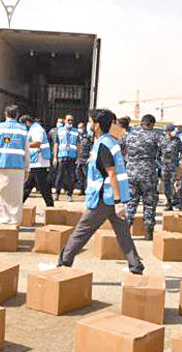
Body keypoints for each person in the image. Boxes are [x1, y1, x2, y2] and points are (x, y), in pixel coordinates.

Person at [58, 109, 144, 274]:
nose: (89, 124)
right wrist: (119, 202)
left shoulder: (103, 145)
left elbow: (112, 173)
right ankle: (135, 265)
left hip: (104, 198)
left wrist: (117, 202)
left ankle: (63, 263)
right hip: (113, 197)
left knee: (82, 231)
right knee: (123, 233)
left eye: (91, 121)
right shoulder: (111, 142)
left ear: (97, 125)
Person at [122, 114, 162, 241]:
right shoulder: (155, 136)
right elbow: (167, 151)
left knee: (130, 202)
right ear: (151, 124)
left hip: (131, 173)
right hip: (148, 174)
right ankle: (148, 232)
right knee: (149, 203)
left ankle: (125, 232)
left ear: (141, 123)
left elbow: (119, 149)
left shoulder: (128, 135)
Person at [0, 105, 30, 224]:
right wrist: (27, 168)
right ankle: (14, 221)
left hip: (1, 166)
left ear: (5, 114)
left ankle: (0, 220)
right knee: (15, 197)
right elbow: (27, 151)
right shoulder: (23, 129)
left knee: (0, 195)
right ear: (17, 115)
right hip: (17, 168)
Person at [22, 115, 54, 207]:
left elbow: (37, 143)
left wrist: (23, 145)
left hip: (39, 162)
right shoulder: (32, 129)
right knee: (28, 185)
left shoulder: (37, 129)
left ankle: (50, 206)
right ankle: (18, 203)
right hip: (35, 161)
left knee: (43, 186)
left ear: (27, 122)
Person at [54, 113, 80, 201]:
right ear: (65, 120)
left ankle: (69, 194)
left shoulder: (76, 132)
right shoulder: (59, 131)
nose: (70, 121)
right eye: (68, 120)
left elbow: (78, 145)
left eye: (71, 120)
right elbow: (56, 144)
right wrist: (55, 157)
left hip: (72, 157)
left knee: (71, 177)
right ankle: (57, 194)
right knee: (59, 176)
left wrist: (78, 157)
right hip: (62, 156)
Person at [160, 124, 182, 210]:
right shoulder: (162, 140)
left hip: (174, 167)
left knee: (175, 185)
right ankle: (169, 204)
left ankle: (178, 203)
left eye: (170, 131)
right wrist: (161, 163)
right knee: (166, 186)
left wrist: (180, 165)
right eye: (167, 131)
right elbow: (158, 153)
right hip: (165, 167)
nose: (169, 133)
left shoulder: (177, 140)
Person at [75, 121, 92, 194]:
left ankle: (86, 190)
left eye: (81, 127)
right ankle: (81, 189)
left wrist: (90, 157)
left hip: (85, 159)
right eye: (78, 127)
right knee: (78, 174)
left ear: (84, 128)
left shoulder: (88, 137)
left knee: (86, 175)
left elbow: (91, 147)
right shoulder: (76, 137)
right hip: (78, 159)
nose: (79, 129)